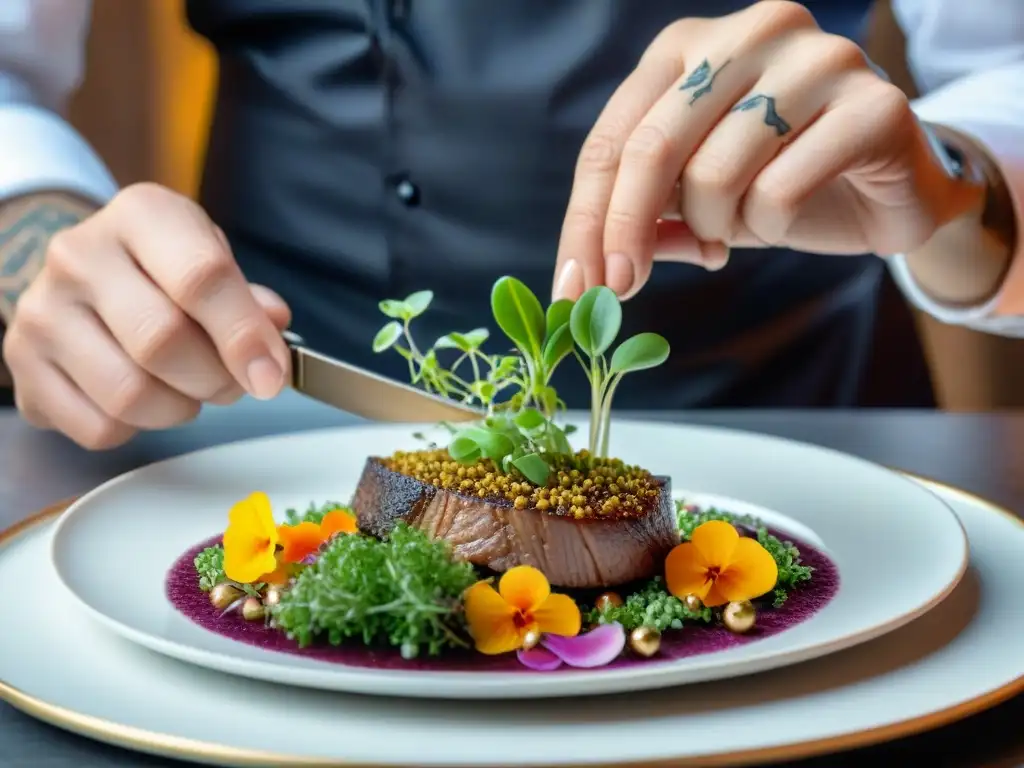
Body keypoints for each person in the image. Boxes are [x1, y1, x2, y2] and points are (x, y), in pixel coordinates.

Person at [0, 1, 1020, 450]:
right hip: (251, 433)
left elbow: (1001, 67)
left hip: (803, 417)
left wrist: (951, 184)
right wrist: (42, 243)